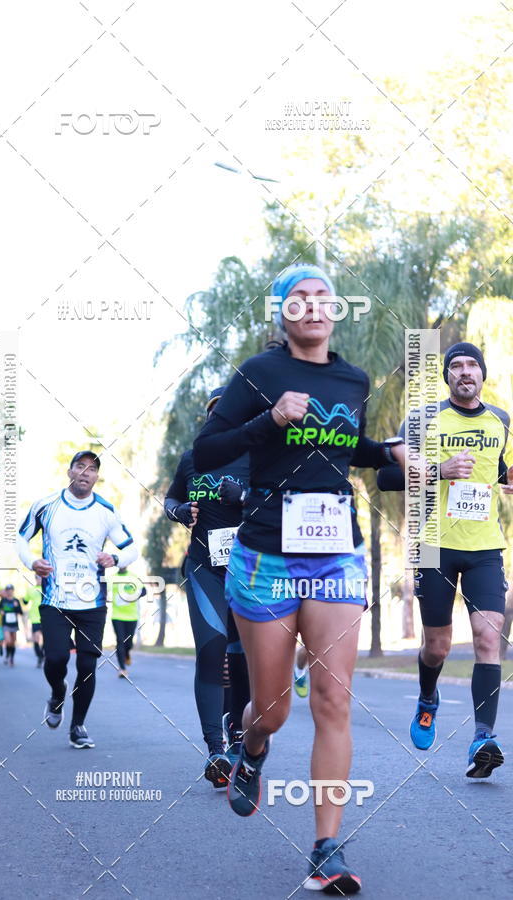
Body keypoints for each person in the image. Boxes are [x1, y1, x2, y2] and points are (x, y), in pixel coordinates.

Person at [193, 263, 405, 892]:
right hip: (266, 554)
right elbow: (206, 451)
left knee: (334, 700)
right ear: (281, 312)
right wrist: (269, 420)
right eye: (298, 299)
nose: (312, 307)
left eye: (322, 299)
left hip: (335, 551)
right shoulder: (258, 375)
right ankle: (252, 749)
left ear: (336, 311)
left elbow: (344, 446)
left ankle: (325, 847)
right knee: (277, 710)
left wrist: (385, 453)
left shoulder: (352, 378)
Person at [378, 341, 512, 778]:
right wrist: (439, 470)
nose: (465, 371)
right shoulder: (421, 420)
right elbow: (386, 474)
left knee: (487, 638)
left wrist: (506, 480)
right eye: (456, 365)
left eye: (472, 364)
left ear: (482, 373)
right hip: (432, 544)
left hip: (484, 545)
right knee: (436, 646)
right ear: (448, 376)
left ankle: (483, 737)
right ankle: (428, 697)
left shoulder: (501, 421)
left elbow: (494, 469)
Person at [17, 450, 138, 749]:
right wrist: (32, 561)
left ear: (97, 477)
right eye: (80, 466)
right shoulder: (46, 505)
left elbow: (131, 548)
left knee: (87, 666)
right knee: (56, 658)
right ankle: (57, 695)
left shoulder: (106, 511)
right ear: (69, 471)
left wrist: (116, 557)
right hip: (55, 598)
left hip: (92, 601)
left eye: (92, 469)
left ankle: (78, 725)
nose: (85, 472)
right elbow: (21, 538)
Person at [165, 388, 251, 788]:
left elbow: (281, 501)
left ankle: (239, 735)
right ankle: (215, 749)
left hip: (253, 569)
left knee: (245, 655)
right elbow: (170, 500)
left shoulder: (259, 454)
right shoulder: (191, 459)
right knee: (213, 648)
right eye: (215, 412)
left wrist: (246, 497)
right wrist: (179, 511)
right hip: (205, 568)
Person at [110, 569, 145, 678]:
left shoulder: (133, 576)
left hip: (132, 616)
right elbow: (102, 590)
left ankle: (127, 653)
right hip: (117, 616)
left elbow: (144, 591)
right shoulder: (112, 578)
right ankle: (122, 669)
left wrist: (132, 597)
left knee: (128, 643)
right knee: (120, 641)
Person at [22, 574, 45, 667]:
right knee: (36, 638)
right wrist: (23, 599)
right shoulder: (31, 589)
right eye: (37, 577)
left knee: (45, 639)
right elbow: (25, 601)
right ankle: (40, 656)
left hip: (46, 617)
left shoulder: (47, 588)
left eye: (40, 577)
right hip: (35, 617)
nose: (39, 579)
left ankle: (43, 654)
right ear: (35, 578)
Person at [0, 585, 23, 666]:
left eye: (11, 590)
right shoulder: (3, 600)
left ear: (13, 591)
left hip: (14, 624)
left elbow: (20, 612)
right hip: (6, 623)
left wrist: (16, 607)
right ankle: (7, 655)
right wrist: (1, 612)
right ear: (6, 591)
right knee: (8, 641)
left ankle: (11, 657)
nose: (9, 591)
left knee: (12, 642)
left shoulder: (16, 601)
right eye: (8, 590)